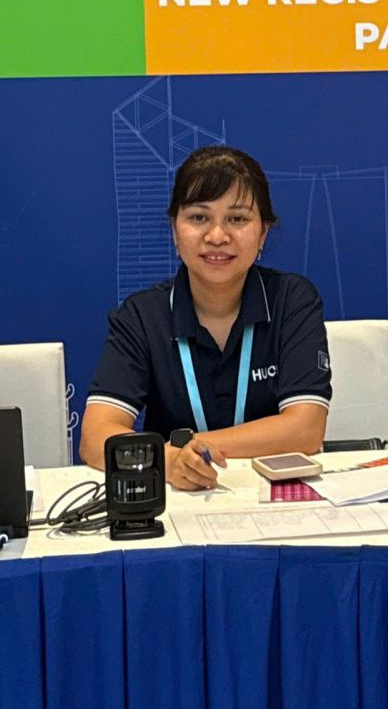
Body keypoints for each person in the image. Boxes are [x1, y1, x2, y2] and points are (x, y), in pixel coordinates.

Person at [81, 145, 332, 490]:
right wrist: (169, 461)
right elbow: (95, 438)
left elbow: (306, 429)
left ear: (263, 233)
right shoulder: (142, 315)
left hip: (274, 498)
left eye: (237, 219)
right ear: (175, 230)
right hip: (178, 500)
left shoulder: (291, 300)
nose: (217, 236)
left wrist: (192, 448)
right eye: (199, 217)